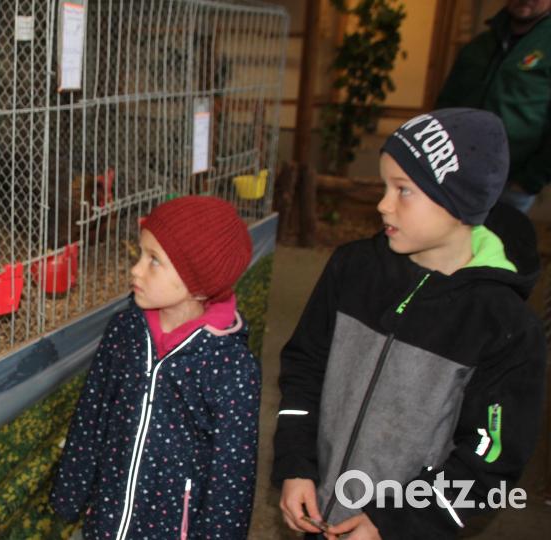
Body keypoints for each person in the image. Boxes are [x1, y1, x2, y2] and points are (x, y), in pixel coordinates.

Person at [272, 109, 546, 539]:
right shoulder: (352, 268)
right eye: (385, 186)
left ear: (460, 201)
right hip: (320, 509)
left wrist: (395, 523)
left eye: (403, 190)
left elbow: (491, 460)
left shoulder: (504, 326)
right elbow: (305, 366)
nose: (382, 203)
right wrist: (295, 465)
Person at [50, 196, 260, 539]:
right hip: (104, 521)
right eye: (140, 254)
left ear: (199, 282)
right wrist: (70, 497)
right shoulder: (125, 330)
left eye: (154, 261)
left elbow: (232, 478)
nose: (135, 269)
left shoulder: (231, 367)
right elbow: (92, 415)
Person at [436, 0, 551, 213]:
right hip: (457, 174)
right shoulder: (480, 45)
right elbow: (446, 104)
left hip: (512, 183)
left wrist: (529, 181)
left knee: (494, 244)